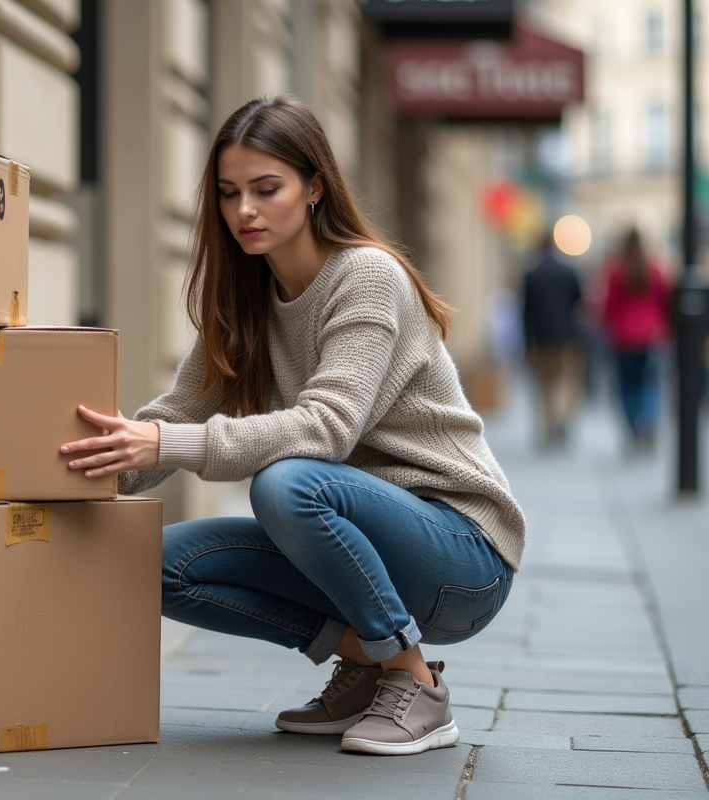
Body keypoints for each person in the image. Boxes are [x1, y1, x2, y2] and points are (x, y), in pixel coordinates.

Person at [60, 96, 525, 756]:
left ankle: (416, 682)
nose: (243, 211)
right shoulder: (244, 299)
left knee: (286, 484)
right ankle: (371, 664)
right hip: (357, 540)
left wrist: (171, 444)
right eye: (228, 193)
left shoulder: (365, 275)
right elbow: (178, 413)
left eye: (265, 189)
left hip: (460, 553)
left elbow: (327, 429)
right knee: (151, 567)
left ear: (313, 188)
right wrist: (86, 467)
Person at [599, 227, 670, 453]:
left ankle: (634, 428)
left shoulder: (616, 272)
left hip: (623, 339)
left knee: (626, 386)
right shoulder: (655, 271)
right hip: (651, 337)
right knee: (648, 384)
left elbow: (608, 308)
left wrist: (606, 327)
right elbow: (665, 303)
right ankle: (647, 422)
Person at [521, 233, 584, 447]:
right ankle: (562, 418)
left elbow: (526, 312)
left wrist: (527, 343)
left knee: (545, 385)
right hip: (567, 337)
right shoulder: (569, 271)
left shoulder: (532, 274)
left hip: (541, 339)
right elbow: (579, 302)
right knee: (567, 382)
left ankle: (550, 425)